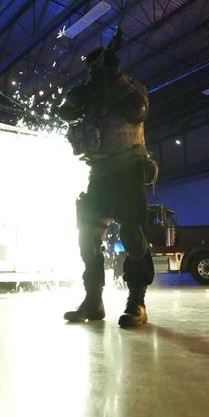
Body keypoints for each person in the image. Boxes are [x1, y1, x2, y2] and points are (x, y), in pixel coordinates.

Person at [57, 31, 157, 328]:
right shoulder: (88, 92)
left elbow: (137, 110)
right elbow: (66, 112)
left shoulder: (131, 88)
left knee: (132, 236)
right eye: (91, 65)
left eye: (98, 64)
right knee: (87, 237)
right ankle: (93, 301)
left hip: (127, 170)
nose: (93, 69)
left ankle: (137, 302)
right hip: (98, 173)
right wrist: (91, 87)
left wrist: (110, 82)